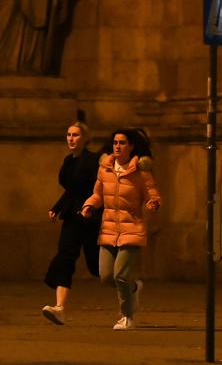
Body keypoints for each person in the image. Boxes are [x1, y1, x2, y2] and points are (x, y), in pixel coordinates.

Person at [81, 128, 161, 330]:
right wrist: (88, 205)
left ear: (131, 146)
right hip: (108, 228)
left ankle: (127, 316)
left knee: (120, 275)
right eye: (115, 142)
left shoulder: (140, 171)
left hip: (132, 227)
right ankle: (133, 288)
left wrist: (153, 203)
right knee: (106, 276)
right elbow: (98, 194)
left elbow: (153, 194)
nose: (118, 146)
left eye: (122, 143)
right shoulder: (105, 169)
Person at [42, 121, 102, 325]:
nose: (71, 138)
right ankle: (59, 307)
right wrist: (56, 208)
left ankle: (129, 287)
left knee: (96, 266)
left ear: (85, 139)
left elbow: (97, 190)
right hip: (71, 218)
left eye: (75, 135)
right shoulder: (69, 162)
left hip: (89, 218)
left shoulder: (93, 161)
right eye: (68, 135)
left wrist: (90, 208)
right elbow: (70, 190)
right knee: (65, 257)